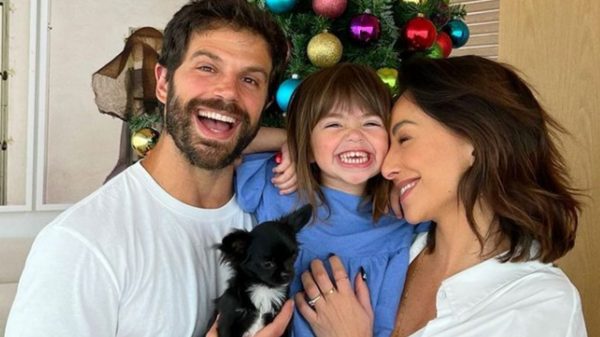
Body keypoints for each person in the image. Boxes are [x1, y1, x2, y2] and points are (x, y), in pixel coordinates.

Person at [5, 1, 288, 336]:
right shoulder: (81, 244)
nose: (228, 91)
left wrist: (294, 141)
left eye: (250, 79)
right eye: (207, 68)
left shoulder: (272, 211)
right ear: (164, 82)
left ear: (265, 104)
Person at [293, 55, 587, 337]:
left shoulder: (540, 304)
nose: (387, 166)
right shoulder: (394, 245)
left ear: (475, 141)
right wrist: (292, 144)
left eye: (404, 139)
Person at [235, 63, 425, 337]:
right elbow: (227, 143)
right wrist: (291, 143)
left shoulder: (401, 216)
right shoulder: (278, 184)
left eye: (371, 123)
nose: (355, 135)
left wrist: (400, 179)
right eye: (334, 124)